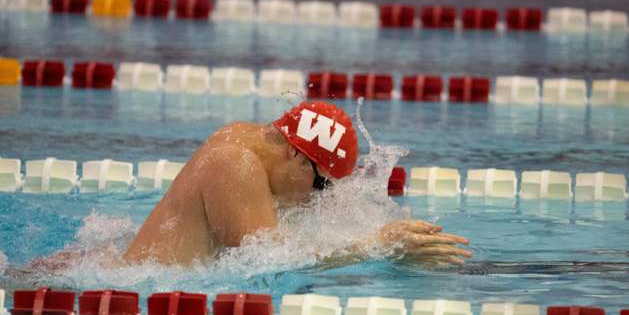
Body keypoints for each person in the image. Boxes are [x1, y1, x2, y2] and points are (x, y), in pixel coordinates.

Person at [124, 101, 470, 267]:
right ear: (297, 156)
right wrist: (377, 246)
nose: (315, 200)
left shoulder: (244, 139)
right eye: (322, 187)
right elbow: (267, 260)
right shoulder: (236, 164)